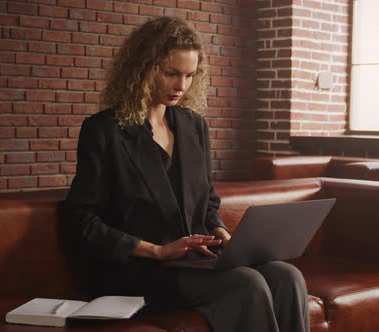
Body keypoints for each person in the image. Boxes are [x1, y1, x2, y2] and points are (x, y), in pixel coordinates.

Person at [62, 16, 309, 332]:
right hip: (141, 269)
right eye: (171, 74)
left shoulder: (194, 126)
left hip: (195, 262)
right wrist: (158, 250)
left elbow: (207, 204)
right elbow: (81, 220)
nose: (181, 86)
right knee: (246, 283)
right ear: (144, 68)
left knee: (287, 275)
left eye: (190, 75)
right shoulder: (104, 131)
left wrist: (222, 234)